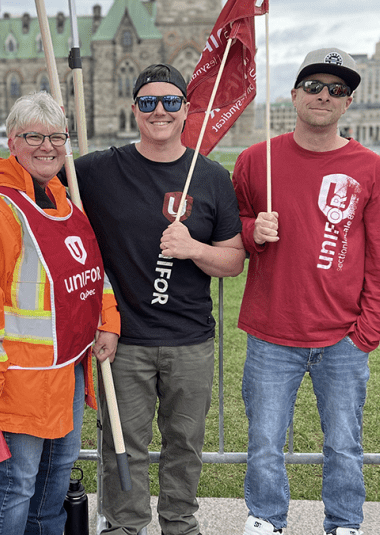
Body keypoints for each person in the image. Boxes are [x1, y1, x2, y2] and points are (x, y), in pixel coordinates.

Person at [71, 64, 245, 535]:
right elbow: (37, 178)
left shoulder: (209, 176)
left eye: (171, 101)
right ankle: (124, 525)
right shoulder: (99, 169)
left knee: (184, 442)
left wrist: (192, 249)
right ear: (135, 111)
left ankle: (179, 523)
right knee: (123, 444)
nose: (160, 110)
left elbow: (233, 261)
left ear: (187, 109)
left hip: (190, 340)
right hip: (123, 339)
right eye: (148, 102)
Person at [233, 48, 380, 535]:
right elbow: (234, 228)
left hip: (342, 337)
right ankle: (265, 519)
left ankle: (345, 523)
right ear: (294, 95)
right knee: (264, 440)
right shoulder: (254, 160)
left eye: (337, 90)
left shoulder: (371, 168)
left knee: (344, 442)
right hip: (271, 333)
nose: (324, 96)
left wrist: (367, 332)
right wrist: (250, 232)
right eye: (314, 86)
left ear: (348, 104)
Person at [0, 91, 120, 535]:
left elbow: (90, 271)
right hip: (17, 379)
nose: (47, 146)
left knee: (53, 485)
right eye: (33, 136)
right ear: (12, 142)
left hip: (66, 372)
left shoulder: (63, 199)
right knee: (16, 486)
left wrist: (107, 320)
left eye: (56, 136)